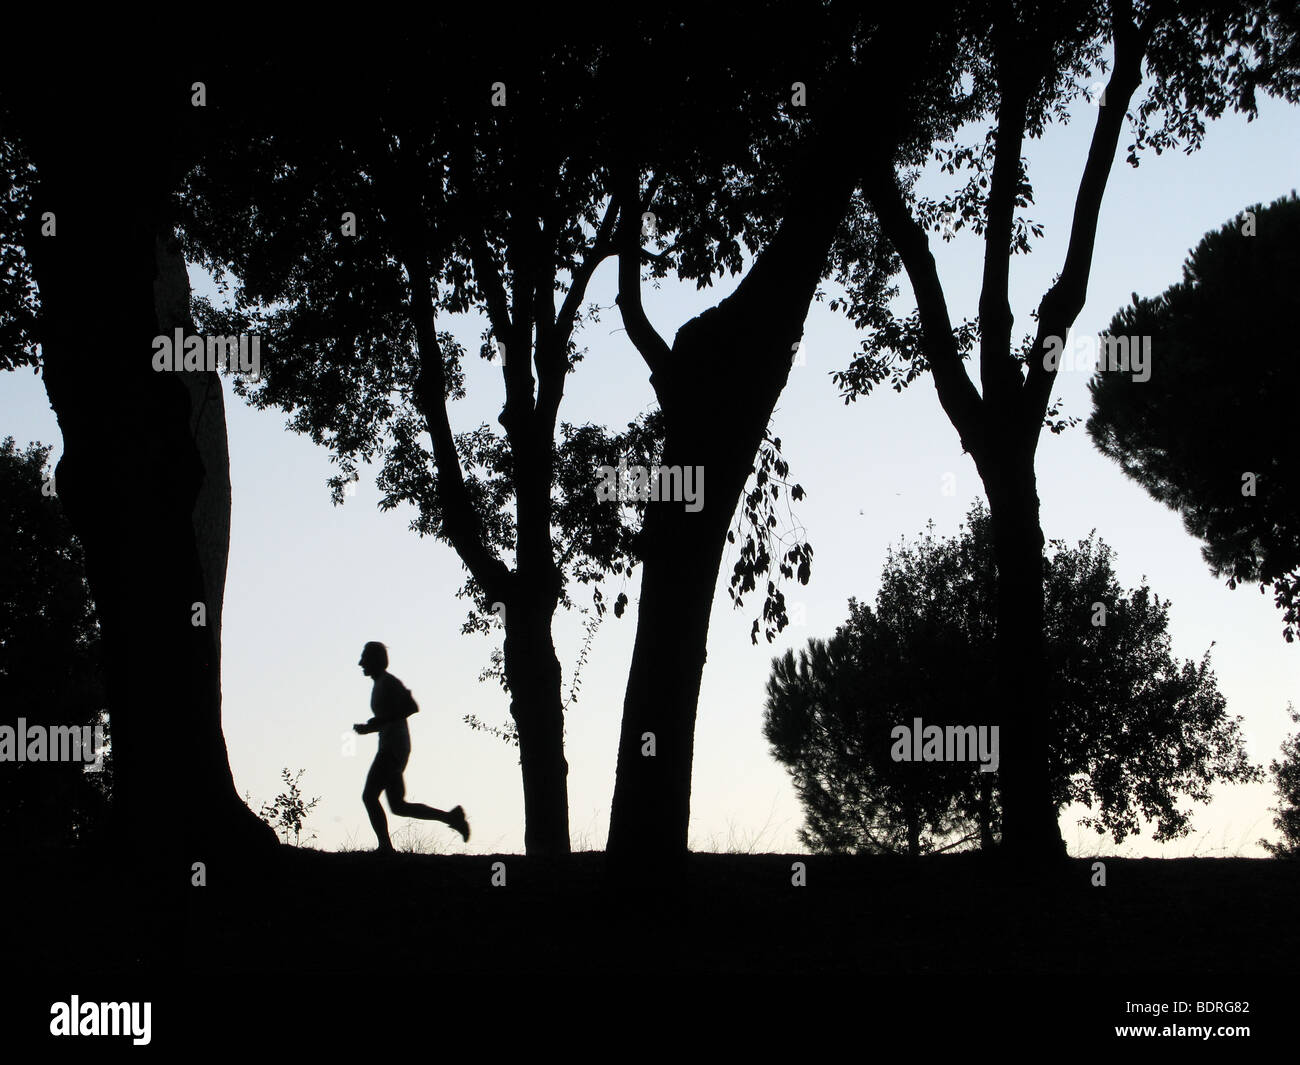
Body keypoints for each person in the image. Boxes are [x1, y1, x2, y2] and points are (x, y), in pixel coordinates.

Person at [353, 641, 469, 851]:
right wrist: (370, 728)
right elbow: (389, 718)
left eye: (365, 658)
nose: (360, 663)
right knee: (398, 805)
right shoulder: (380, 684)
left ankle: (385, 847)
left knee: (369, 796)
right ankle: (452, 817)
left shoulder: (389, 682)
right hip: (392, 746)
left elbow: (411, 707)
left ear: (375, 661)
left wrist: (380, 721)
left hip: (393, 748)